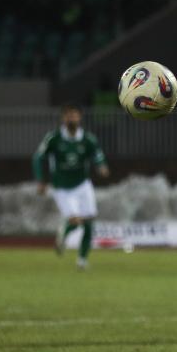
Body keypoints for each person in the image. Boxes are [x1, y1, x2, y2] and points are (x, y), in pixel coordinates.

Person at [33, 104, 110, 269]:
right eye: (68, 115)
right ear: (63, 118)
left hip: (83, 184)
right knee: (75, 221)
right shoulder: (54, 139)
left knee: (89, 222)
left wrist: (101, 166)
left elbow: (97, 155)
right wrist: (40, 180)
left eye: (74, 115)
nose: (71, 118)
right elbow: (39, 158)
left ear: (80, 118)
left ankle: (82, 260)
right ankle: (64, 232)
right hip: (62, 187)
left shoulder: (88, 139)